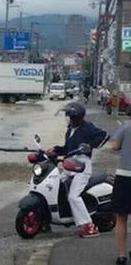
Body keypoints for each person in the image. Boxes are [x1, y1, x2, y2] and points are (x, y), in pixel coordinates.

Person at [48, 102, 109, 238]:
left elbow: (105, 135)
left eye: (68, 116)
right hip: (69, 165)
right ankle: (48, 219)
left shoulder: (87, 128)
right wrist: (56, 150)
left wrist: (90, 146)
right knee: (53, 185)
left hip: (82, 167)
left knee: (73, 196)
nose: (66, 118)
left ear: (76, 117)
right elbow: (68, 149)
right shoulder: (70, 129)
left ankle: (89, 226)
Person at [112, 120, 131, 264]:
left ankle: (121, 255)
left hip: (124, 176)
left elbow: (115, 146)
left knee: (121, 217)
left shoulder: (125, 126)